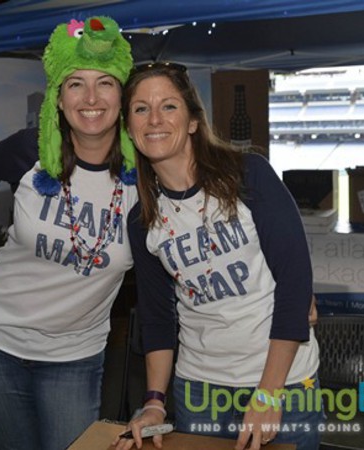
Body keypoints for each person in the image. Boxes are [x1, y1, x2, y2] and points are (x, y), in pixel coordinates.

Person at [114, 63, 321, 450]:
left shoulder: (248, 176)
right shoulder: (143, 220)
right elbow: (158, 318)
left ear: (193, 121)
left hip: (283, 382)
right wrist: (155, 402)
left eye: (169, 106)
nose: (155, 119)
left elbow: (295, 285)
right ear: (129, 127)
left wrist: (268, 393)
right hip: (200, 389)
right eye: (141, 109)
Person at [0, 16, 138, 450]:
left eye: (105, 83)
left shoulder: (145, 177)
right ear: (58, 96)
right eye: (76, 84)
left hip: (73, 357)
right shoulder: (31, 150)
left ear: (122, 96)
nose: (90, 98)